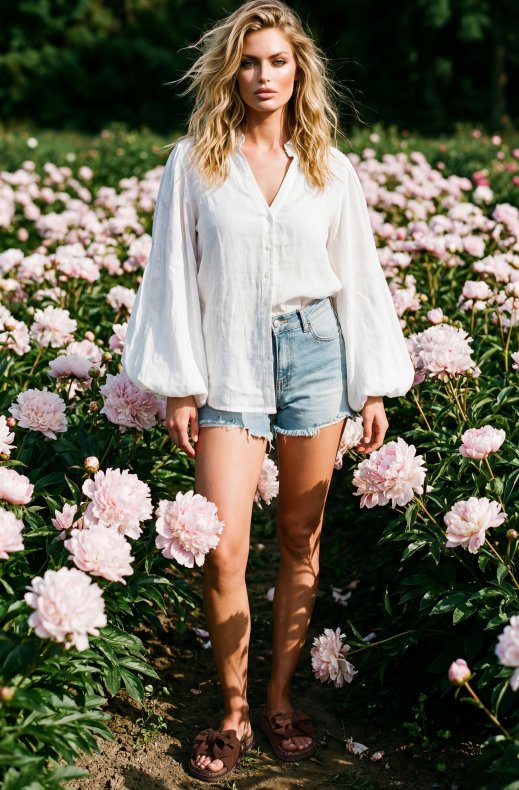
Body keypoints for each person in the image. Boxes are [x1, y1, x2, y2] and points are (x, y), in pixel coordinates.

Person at [122, 0, 415, 782]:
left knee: (299, 541)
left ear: (298, 70)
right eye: (249, 61)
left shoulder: (329, 167)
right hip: (225, 360)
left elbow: (358, 276)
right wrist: (180, 386)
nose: (262, 75)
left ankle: (279, 698)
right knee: (222, 548)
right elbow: (171, 278)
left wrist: (373, 385)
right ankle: (231, 710)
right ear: (231, 69)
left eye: (277, 61)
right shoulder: (194, 163)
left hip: (316, 351)